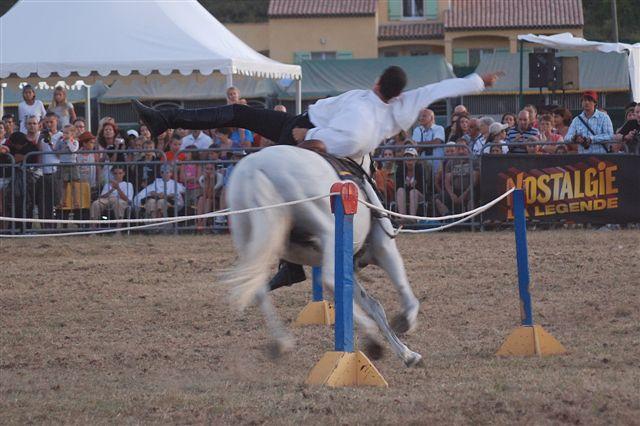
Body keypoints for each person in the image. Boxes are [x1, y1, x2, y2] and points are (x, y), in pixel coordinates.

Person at [133, 67, 499, 286]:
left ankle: (290, 263)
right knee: (238, 113)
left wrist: (306, 138)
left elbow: (346, 137)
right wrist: (477, 81)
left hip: (307, 133)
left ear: (377, 84)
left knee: (265, 162)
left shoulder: (365, 113)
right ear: (398, 93)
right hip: (305, 125)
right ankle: (166, 118)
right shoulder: (404, 104)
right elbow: (441, 88)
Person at [395, 147, 425, 216]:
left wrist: (415, 185)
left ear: (416, 158)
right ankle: (403, 217)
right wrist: (405, 184)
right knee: (400, 190)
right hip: (404, 194)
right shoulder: (400, 168)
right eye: (407, 156)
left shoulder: (420, 168)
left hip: (418, 194)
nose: (409, 159)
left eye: (411, 156)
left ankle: (412, 218)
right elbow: (398, 185)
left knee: (413, 192)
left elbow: (423, 186)